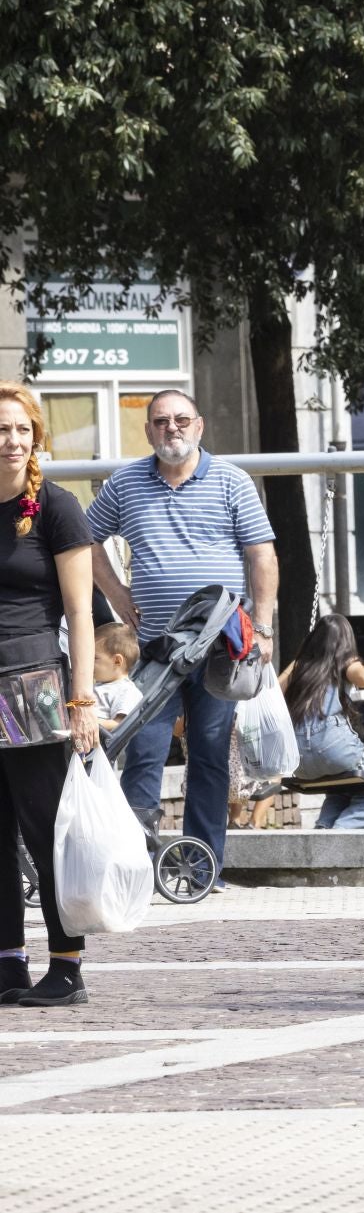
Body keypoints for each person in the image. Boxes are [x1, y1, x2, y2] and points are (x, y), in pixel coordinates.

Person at [88, 390, 277, 884]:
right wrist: (116, 593)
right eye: (161, 421)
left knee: (211, 756)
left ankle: (201, 870)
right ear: (148, 431)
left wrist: (265, 626)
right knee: (144, 751)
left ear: (200, 426)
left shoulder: (233, 481)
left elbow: (262, 556)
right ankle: (135, 866)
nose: (171, 428)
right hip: (152, 647)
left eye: (181, 419)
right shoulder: (126, 483)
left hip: (221, 649)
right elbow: (83, 539)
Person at [0, 382, 101, 1008]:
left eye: (19, 431)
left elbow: (80, 612)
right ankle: (8, 962)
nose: (10, 442)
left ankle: (67, 966)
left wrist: (82, 698)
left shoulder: (57, 508)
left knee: (44, 830)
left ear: (36, 438)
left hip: (33, 684)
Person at [277, 614, 364, 830]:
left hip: (297, 758)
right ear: (346, 642)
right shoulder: (345, 662)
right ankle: (342, 833)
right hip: (333, 746)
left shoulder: (299, 665)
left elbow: (274, 692)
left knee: (343, 788)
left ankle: (324, 830)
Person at [92, 621, 142, 733]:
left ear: (117, 661)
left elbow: (119, 724)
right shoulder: (100, 684)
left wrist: (89, 723)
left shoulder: (126, 691)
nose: (88, 662)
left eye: (95, 658)